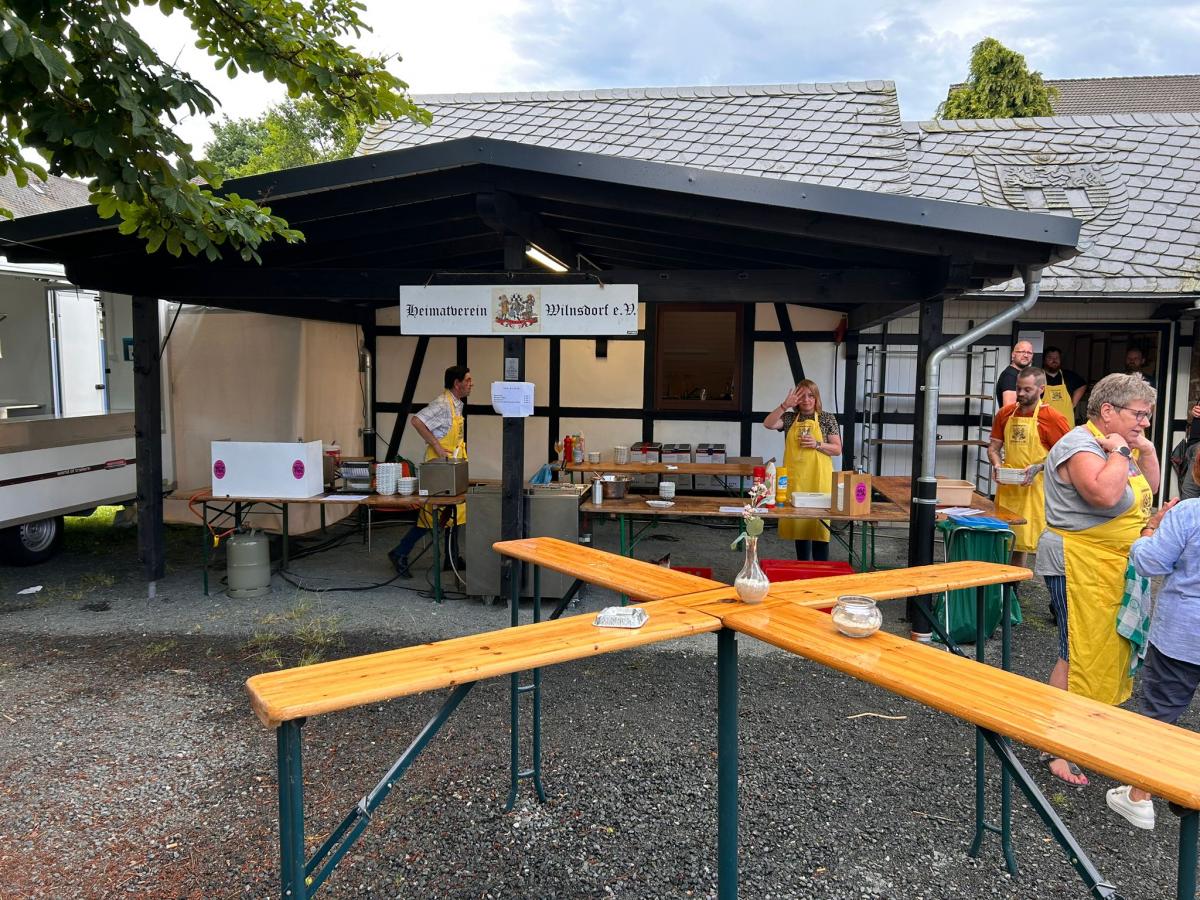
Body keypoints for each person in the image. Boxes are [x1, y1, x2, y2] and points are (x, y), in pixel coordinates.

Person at [1033, 373, 1159, 786]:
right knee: (1076, 652)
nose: (1145, 422)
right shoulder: (1080, 445)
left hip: (1107, 566)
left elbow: (1146, 490)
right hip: (1077, 564)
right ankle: (1057, 745)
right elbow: (1104, 495)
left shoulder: (1122, 445)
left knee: (1102, 650)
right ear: (1108, 410)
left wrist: (1145, 450)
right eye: (1139, 414)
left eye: (1148, 415)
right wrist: (1122, 451)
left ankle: (1086, 730)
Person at [1106, 495, 1196, 830]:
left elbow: (1150, 563)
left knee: (1160, 715)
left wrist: (1149, 529)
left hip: (1182, 633)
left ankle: (1139, 797)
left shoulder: (1189, 512)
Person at [387, 365, 472, 577]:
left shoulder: (456, 404)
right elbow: (417, 420)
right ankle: (400, 552)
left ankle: (451, 557)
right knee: (431, 516)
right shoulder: (442, 404)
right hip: (438, 467)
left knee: (455, 512)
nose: (471, 384)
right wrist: (436, 445)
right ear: (457, 383)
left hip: (452, 465)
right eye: (468, 380)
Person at [986, 368, 1070, 569]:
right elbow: (993, 448)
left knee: (1031, 540)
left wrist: (1038, 467)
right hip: (1008, 487)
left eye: (1027, 390)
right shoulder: (1005, 414)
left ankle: (1021, 582)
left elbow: (1068, 456)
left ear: (1041, 389)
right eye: (1018, 389)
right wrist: (997, 465)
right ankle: (1005, 580)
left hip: (1037, 490)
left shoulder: (1053, 418)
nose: (1021, 394)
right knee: (1005, 539)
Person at [764, 379, 842, 561]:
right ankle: (803, 566)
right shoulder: (789, 418)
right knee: (800, 526)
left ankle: (820, 569)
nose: (806, 400)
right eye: (802, 396)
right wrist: (784, 406)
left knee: (820, 526)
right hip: (797, 478)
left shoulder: (826, 418)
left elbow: (837, 449)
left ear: (816, 398)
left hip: (819, 478)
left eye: (811, 395)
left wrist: (817, 444)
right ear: (796, 399)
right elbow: (768, 424)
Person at [1040, 346, 1086, 426]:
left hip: (1066, 425)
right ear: (1044, 360)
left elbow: (1082, 385)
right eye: (1050, 358)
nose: (1054, 360)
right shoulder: (1038, 376)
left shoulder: (1068, 375)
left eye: (1057, 358)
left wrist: (1073, 403)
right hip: (1046, 425)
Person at [994, 340, 1034, 407]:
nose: (1026, 355)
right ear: (1013, 354)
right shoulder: (1010, 376)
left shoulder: (1021, 375)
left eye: (1029, 353)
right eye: (1022, 352)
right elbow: (1010, 408)